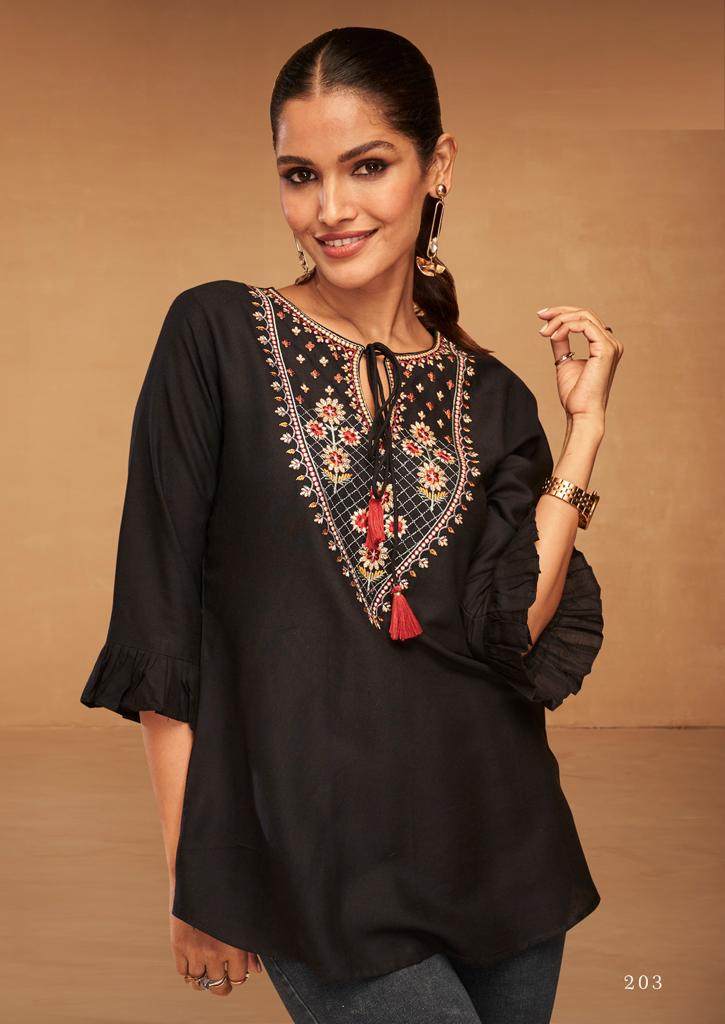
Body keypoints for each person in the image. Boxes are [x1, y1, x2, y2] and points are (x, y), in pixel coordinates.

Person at [79, 25, 622, 1024]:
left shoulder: (493, 394)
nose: (330, 208)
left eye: (366, 166)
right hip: (308, 860)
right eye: (300, 175)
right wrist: (195, 877)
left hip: (500, 845)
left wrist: (582, 434)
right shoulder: (214, 335)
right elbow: (161, 621)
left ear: (436, 164)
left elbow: (514, 626)